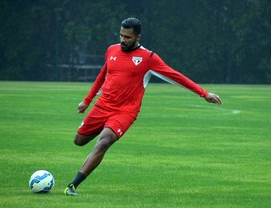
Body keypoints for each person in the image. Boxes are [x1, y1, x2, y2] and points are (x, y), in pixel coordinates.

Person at [64, 17, 222, 196]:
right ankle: (100, 129)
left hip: (125, 111)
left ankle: (73, 185)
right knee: (79, 141)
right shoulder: (112, 50)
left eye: (128, 37)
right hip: (102, 106)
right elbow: (103, 75)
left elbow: (175, 75)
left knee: (104, 142)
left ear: (138, 37)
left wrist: (203, 93)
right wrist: (87, 100)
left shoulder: (148, 58)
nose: (123, 40)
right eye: (121, 35)